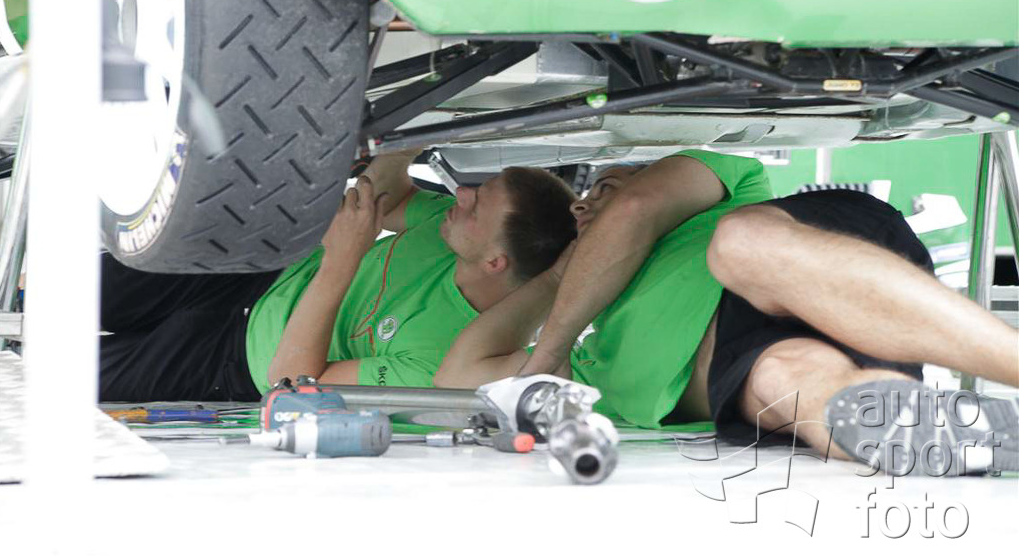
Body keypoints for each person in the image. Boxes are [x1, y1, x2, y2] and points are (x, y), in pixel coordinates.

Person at [436, 149, 1019, 472]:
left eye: (604, 188)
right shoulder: (593, 360)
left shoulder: (719, 188)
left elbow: (638, 207)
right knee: (787, 380)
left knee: (742, 244)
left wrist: (549, 351)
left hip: (806, 255)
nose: (587, 207)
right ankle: (963, 432)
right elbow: (456, 377)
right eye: (579, 213)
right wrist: (563, 276)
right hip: (740, 360)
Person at [98, 151, 576, 402]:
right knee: (86, 291)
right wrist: (402, 141)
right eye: (476, 189)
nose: (462, 196)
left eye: (477, 206)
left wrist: (341, 262)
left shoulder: (444, 359)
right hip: (255, 274)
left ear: (494, 262)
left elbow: (293, 382)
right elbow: (388, 193)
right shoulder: (446, 227)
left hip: (231, 360)